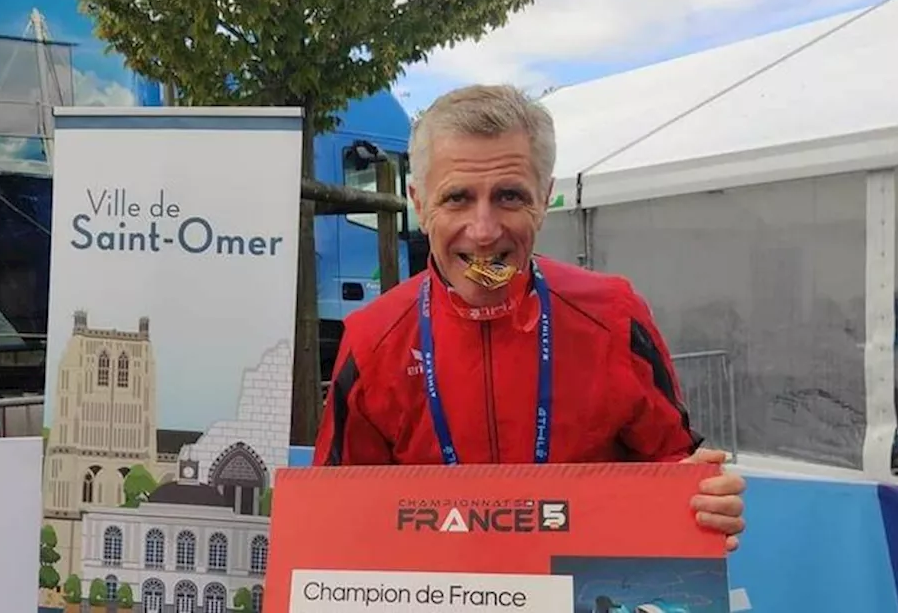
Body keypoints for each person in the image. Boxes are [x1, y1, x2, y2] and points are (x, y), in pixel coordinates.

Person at [311, 83, 746, 550]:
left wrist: (698, 497)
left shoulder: (613, 318)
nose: (483, 230)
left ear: (544, 198)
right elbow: (338, 514)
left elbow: (671, 462)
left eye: (510, 197)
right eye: (457, 198)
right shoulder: (373, 341)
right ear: (419, 203)